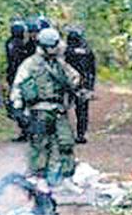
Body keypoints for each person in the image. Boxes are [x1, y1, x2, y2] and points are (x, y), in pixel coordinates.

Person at [10, 27, 81, 187]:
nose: (54, 48)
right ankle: (38, 177)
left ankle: (65, 177)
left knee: (65, 142)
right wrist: (18, 108)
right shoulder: (30, 64)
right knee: (40, 145)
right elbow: (18, 85)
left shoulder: (58, 64)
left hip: (58, 109)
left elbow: (74, 77)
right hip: (39, 110)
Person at [63, 26, 96, 143]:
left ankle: (65, 134)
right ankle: (80, 134)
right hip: (84, 84)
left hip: (69, 84)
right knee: (82, 110)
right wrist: (91, 87)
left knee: (63, 109)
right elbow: (92, 70)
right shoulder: (87, 51)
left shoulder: (66, 51)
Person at [4, 20, 33, 140]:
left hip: (17, 78)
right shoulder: (21, 45)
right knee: (20, 105)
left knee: (20, 105)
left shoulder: (14, 43)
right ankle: (26, 131)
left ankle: (26, 131)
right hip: (20, 78)